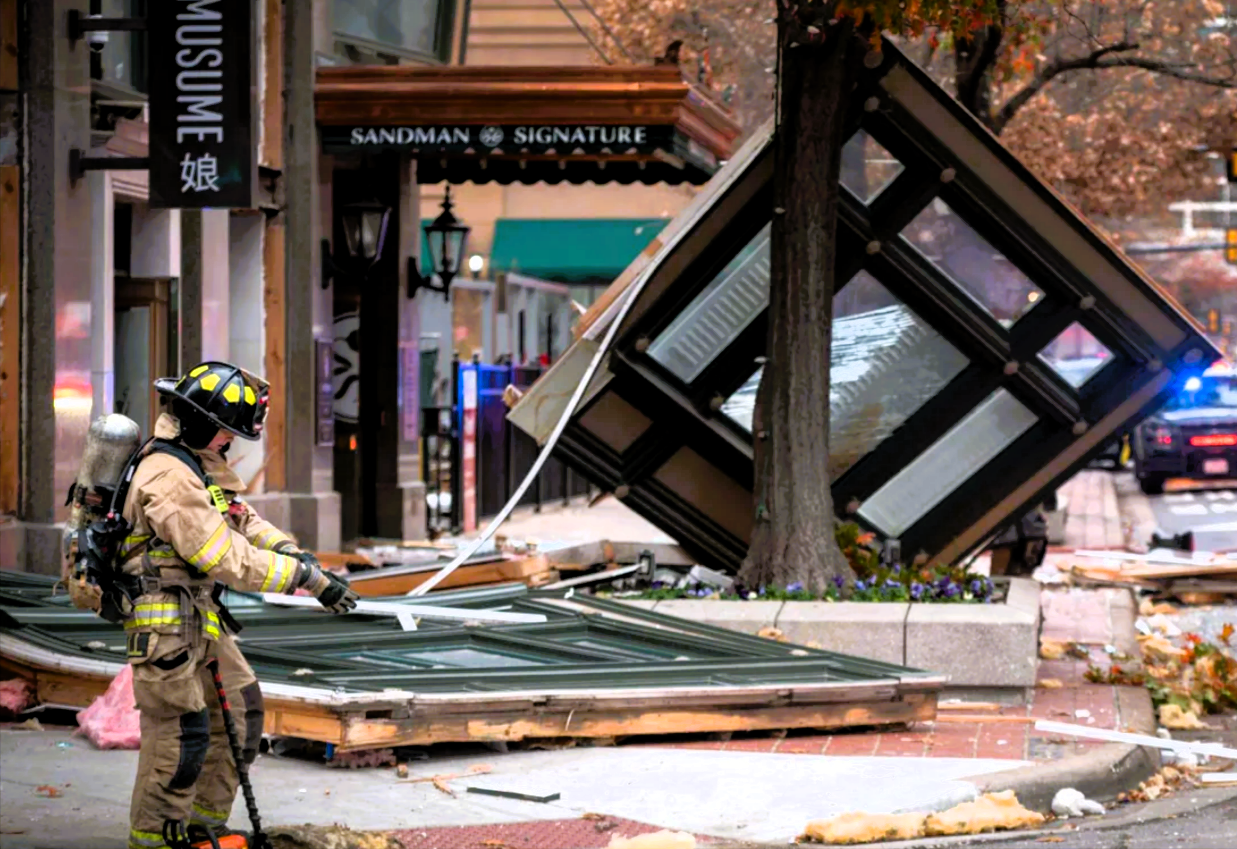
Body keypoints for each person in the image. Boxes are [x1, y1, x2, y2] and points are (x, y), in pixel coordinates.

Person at [120, 361, 357, 849]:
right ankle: (156, 839)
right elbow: (223, 557)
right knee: (181, 738)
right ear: (206, 425)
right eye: (227, 433)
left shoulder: (195, 462)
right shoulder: (167, 477)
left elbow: (240, 519)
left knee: (243, 712)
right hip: (165, 626)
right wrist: (306, 579)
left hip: (197, 618)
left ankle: (204, 826)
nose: (230, 443)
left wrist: (292, 552)